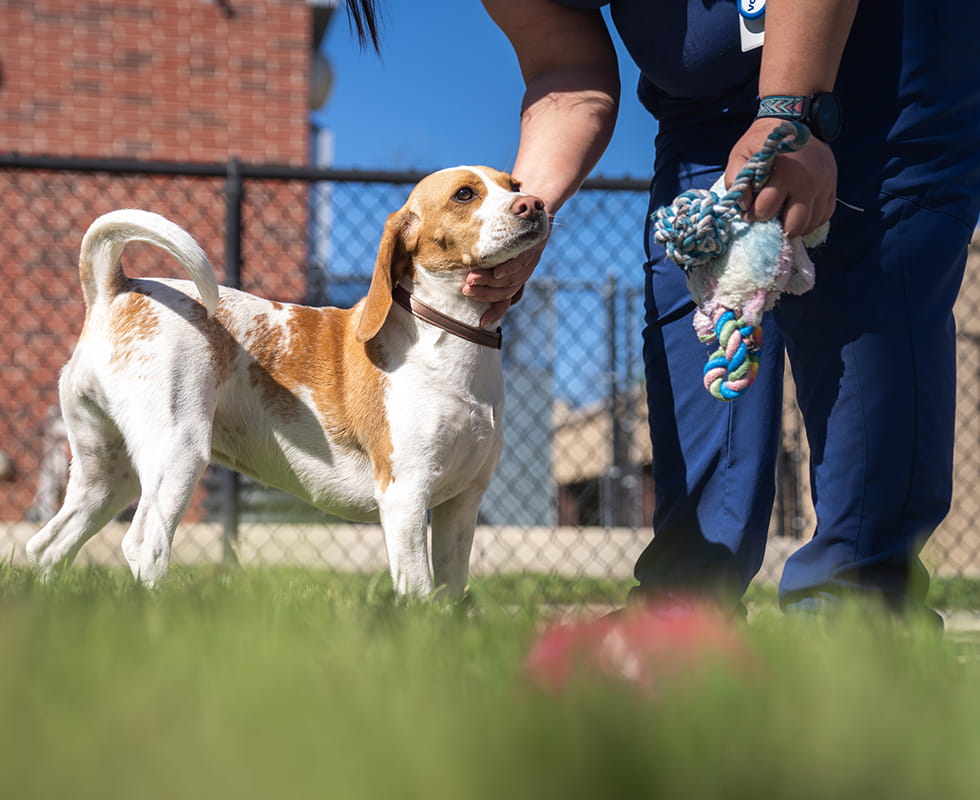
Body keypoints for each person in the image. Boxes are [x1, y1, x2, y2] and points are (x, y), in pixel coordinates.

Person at [464, 0, 980, 620]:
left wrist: (793, 111)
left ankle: (858, 621)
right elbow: (564, 71)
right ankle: (685, 618)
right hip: (702, 111)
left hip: (880, 60)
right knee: (700, 336)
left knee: (864, 318)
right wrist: (528, 212)